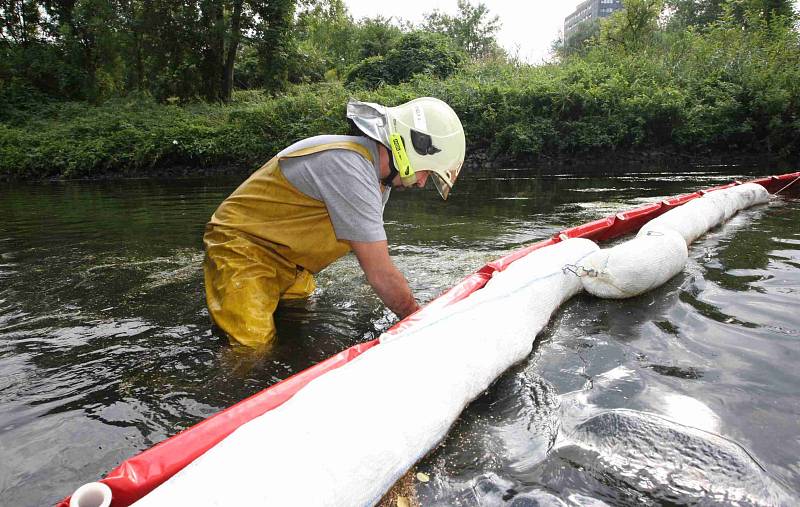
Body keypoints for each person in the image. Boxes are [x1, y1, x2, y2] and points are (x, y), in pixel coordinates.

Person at [203, 97, 466, 348]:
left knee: (299, 325)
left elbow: (371, 257)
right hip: (243, 251)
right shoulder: (350, 166)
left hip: (291, 265)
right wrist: (418, 320)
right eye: (426, 173)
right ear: (414, 148)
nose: (421, 183)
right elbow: (381, 274)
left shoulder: (377, 180)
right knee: (251, 352)